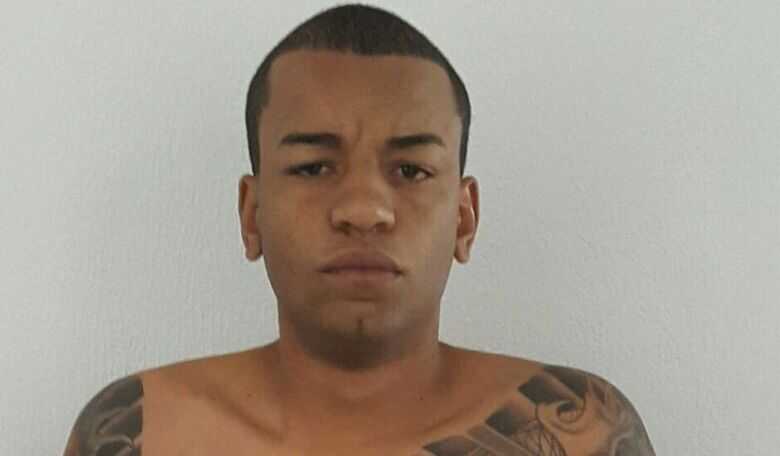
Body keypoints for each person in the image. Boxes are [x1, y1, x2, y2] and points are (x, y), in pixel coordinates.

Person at [63, 4, 656, 455]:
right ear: (251, 214)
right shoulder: (140, 431)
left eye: (411, 170)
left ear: (464, 217)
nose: (365, 209)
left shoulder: (582, 430)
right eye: (313, 167)